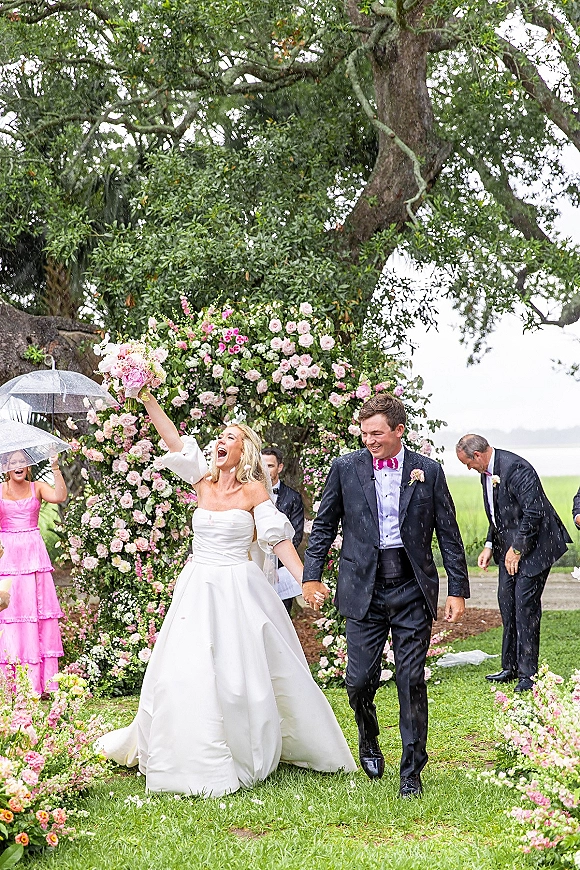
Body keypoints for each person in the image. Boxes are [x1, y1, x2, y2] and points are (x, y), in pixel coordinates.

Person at [97, 394, 356, 796]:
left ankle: (246, 744)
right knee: (187, 667)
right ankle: (185, 746)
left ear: (242, 450)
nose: (220, 442)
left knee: (240, 674)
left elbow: (278, 540)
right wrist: (147, 397)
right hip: (198, 585)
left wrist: (307, 580)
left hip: (239, 586)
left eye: (229, 438)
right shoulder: (202, 481)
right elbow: (174, 439)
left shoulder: (254, 492)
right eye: (219, 437)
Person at [303, 393, 469, 798]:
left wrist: (458, 590)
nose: (370, 441)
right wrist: (310, 577)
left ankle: (411, 769)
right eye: (364, 434)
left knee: (411, 680)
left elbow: (448, 532)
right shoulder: (345, 468)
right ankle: (368, 734)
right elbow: (324, 526)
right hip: (363, 588)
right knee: (358, 681)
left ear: (399, 431)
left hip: (412, 586)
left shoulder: (427, 471)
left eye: (377, 433)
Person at [456, 434, 571, 692]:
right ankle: (510, 667)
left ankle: (528, 676)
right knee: (507, 602)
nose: (468, 468)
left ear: (477, 455)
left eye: (467, 463)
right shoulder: (487, 472)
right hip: (510, 546)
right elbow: (499, 513)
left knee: (525, 608)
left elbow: (534, 511)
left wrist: (517, 549)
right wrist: (489, 546)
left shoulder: (516, 468)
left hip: (537, 545)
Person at [0, 449, 67, 695]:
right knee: (9, 613)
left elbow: (59, 495)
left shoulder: (36, 487)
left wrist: (55, 467)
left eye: (23, 461)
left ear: (28, 466)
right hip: (7, 558)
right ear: (6, 466)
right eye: (13, 462)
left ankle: (40, 683)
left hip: (33, 556)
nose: (18, 465)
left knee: (34, 613)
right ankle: (9, 685)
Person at [261, 447, 305, 615]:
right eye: (262, 465)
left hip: (282, 569)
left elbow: (296, 535)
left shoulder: (293, 498)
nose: (265, 470)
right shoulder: (247, 493)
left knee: (282, 616)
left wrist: (276, 562)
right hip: (255, 566)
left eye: (270, 466)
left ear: (279, 467)